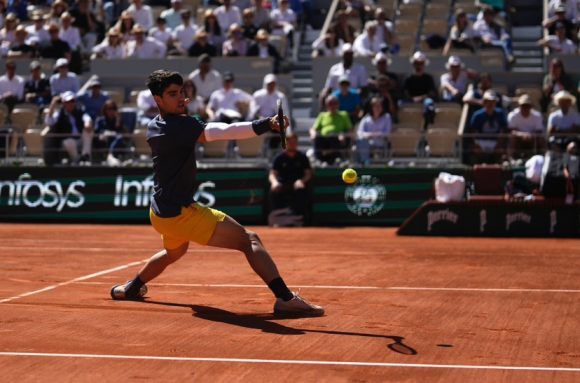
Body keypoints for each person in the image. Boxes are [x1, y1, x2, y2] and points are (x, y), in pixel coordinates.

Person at [109, 70, 324, 317]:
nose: (181, 98)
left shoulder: (155, 125)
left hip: (159, 214)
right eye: (172, 94)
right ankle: (285, 298)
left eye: (181, 92)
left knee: (174, 252)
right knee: (249, 240)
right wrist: (267, 123)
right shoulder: (180, 125)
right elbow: (224, 131)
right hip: (180, 213)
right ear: (158, 99)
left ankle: (131, 288)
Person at [268, 133, 313, 226]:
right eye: (290, 141)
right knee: (274, 190)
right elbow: (272, 174)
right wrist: (274, 182)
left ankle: (298, 219)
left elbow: (308, 174)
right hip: (282, 184)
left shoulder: (302, 157)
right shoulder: (279, 158)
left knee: (301, 190)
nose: (292, 144)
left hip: (297, 184)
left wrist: (302, 181)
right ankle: (278, 219)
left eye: (294, 142)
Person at [43, 91, 93, 165]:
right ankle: (77, 160)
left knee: (88, 132)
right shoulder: (59, 114)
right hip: (66, 141)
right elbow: (49, 122)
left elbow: (87, 118)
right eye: (68, 102)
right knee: (70, 142)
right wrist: (53, 104)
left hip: (79, 139)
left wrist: (87, 123)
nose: (70, 104)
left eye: (72, 101)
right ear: (64, 103)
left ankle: (85, 156)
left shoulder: (79, 112)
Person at [467, 90, 508, 164]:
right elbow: (473, 133)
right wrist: (477, 144)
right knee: (475, 150)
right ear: (484, 102)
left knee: (501, 150)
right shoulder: (477, 115)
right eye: (488, 101)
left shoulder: (500, 113)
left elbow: (503, 131)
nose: (490, 104)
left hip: (496, 141)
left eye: (493, 101)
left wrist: (499, 143)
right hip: (481, 141)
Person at [310, 94, 352, 164]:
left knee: (333, 136)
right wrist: (313, 134)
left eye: (334, 103)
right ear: (327, 105)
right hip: (324, 139)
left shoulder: (344, 114)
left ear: (338, 104)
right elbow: (313, 129)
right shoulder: (322, 115)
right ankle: (319, 160)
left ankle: (337, 158)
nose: (333, 106)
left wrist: (344, 135)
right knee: (317, 137)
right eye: (330, 104)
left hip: (337, 139)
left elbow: (350, 130)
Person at [507, 94, 545, 160]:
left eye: (527, 106)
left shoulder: (537, 116)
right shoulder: (513, 115)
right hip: (518, 138)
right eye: (523, 106)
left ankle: (543, 158)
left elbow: (539, 131)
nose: (525, 108)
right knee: (511, 137)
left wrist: (531, 135)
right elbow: (511, 130)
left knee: (541, 138)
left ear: (531, 107)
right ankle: (511, 159)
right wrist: (522, 135)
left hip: (533, 137)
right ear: (519, 106)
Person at [356, 96, 391, 165]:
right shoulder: (366, 119)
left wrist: (377, 134)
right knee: (361, 142)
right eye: (375, 106)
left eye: (379, 105)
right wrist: (369, 135)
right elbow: (359, 132)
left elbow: (387, 132)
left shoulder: (387, 117)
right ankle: (365, 163)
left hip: (381, 143)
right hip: (367, 143)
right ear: (371, 107)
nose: (377, 107)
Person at [93, 99, 127, 166]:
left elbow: (120, 132)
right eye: (108, 109)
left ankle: (110, 154)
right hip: (103, 141)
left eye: (113, 109)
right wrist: (105, 133)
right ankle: (110, 155)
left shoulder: (118, 120)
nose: (111, 111)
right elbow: (97, 132)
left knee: (119, 138)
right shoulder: (100, 120)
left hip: (115, 141)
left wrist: (117, 121)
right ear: (105, 110)